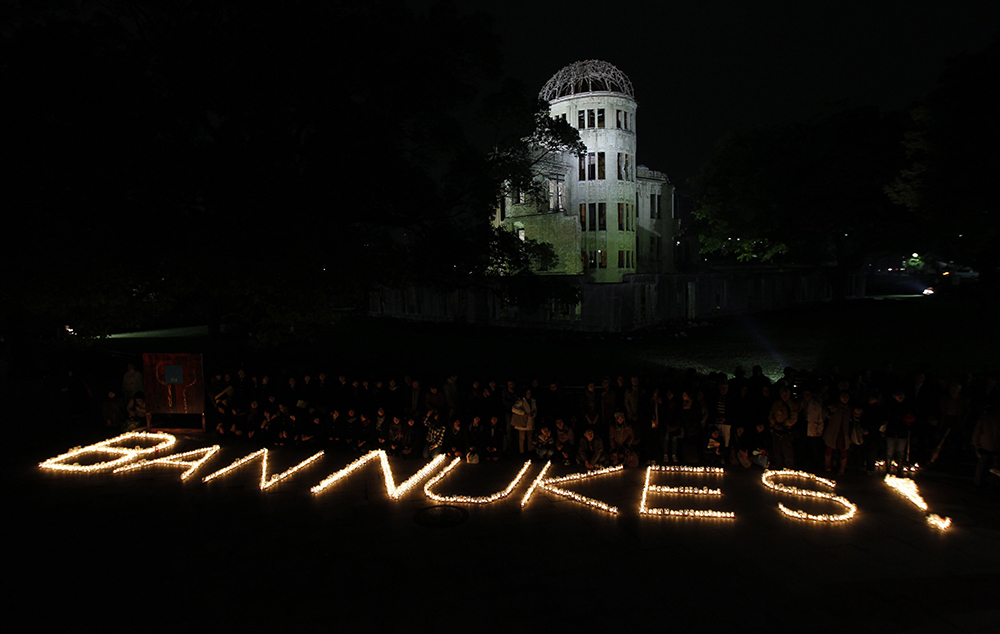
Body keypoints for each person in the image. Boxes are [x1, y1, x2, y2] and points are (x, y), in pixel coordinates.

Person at [824, 391, 855, 474]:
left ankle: (842, 469)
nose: (845, 399)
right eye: (843, 396)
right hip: (833, 432)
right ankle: (828, 466)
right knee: (829, 448)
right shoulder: (835, 407)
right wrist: (831, 411)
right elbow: (827, 415)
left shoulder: (849, 409)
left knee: (844, 449)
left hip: (844, 433)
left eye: (846, 397)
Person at [511, 389, 537, 455]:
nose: (528, 394)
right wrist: (523, 413)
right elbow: (514, 409)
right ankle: (521, 452)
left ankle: (529, 451)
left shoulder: (533, 401)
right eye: (527, 393)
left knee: (530, 437)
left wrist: (533, 414)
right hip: (522, 422)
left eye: (529, 393)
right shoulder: (521, 401)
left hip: (530, 421)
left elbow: (535, 409)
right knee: (522, 438)